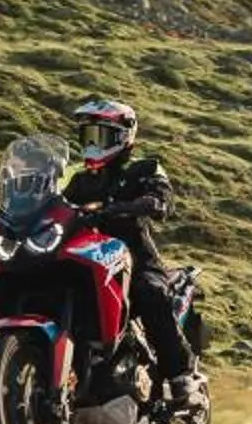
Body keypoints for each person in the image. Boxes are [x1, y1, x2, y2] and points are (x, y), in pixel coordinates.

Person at [60, 97, 204, 400]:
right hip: (85, 260)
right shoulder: (77, 179)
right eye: (88, 136)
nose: (92, 143)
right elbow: (52, 203)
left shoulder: (143, 169)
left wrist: (148, 202)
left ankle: (181, 373)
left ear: (123, 136)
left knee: (151, 292)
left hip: (135, 260)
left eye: (101, 136)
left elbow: (161, 197)